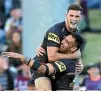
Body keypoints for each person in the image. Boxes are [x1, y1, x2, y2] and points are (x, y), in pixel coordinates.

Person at [2, 33, 84, 90]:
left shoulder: (67, 63)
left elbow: (42, 69)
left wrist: (22, 57)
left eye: (66, 42)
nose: (62, 41)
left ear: (73, 49)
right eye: (64, 39)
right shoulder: (58, 52)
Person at [35, 4, 84, 90]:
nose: (73, 19)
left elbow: (77, 53)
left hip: (59, 71)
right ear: (66, 16)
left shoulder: (76, 34)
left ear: (81, 18)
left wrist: (80, 64)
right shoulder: (56, 31)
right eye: (71, 15)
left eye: (77, 16)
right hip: (42, 67)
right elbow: (52, 57)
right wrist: (71, 56)